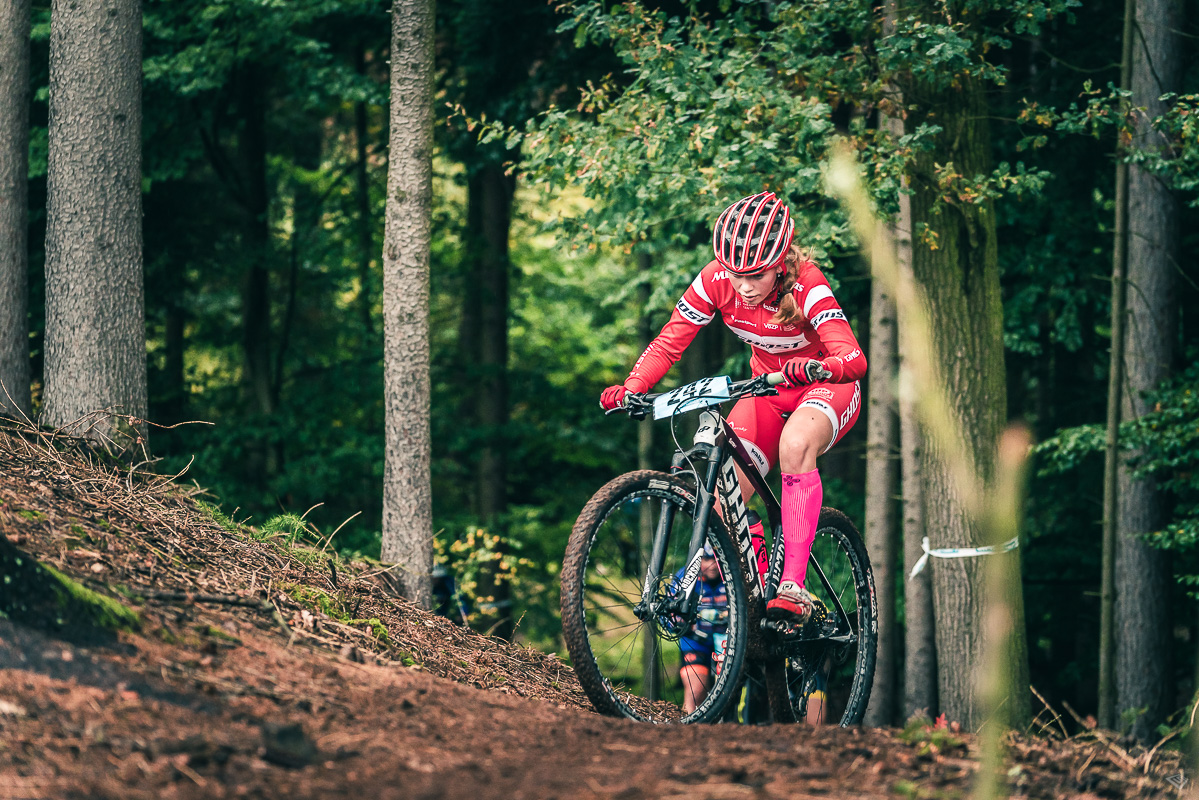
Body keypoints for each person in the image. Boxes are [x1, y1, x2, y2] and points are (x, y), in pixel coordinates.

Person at [601, 192, 866, 626]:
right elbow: (670, 341)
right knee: (723, 494)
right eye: (734, 274)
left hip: (825, 388)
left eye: (755, 275)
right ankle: (758, 587)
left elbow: (853, 358)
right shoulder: (714, 280)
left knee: (796, 445)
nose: (743, 286)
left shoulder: (807, 284)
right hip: (767, 391)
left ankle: (793, 587)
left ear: (779, 263)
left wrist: (823, 366)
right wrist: (633, 386)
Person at [676, 543, 729, 714]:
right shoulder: (685, 577)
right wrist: (680, 623)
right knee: (696, 691)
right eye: (706, 559)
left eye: (716, 559)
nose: (712, 565)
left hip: (726, 640)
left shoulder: (732, 574)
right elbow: (668, 613)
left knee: (729, 695)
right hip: (695, 641)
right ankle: (687, 727)